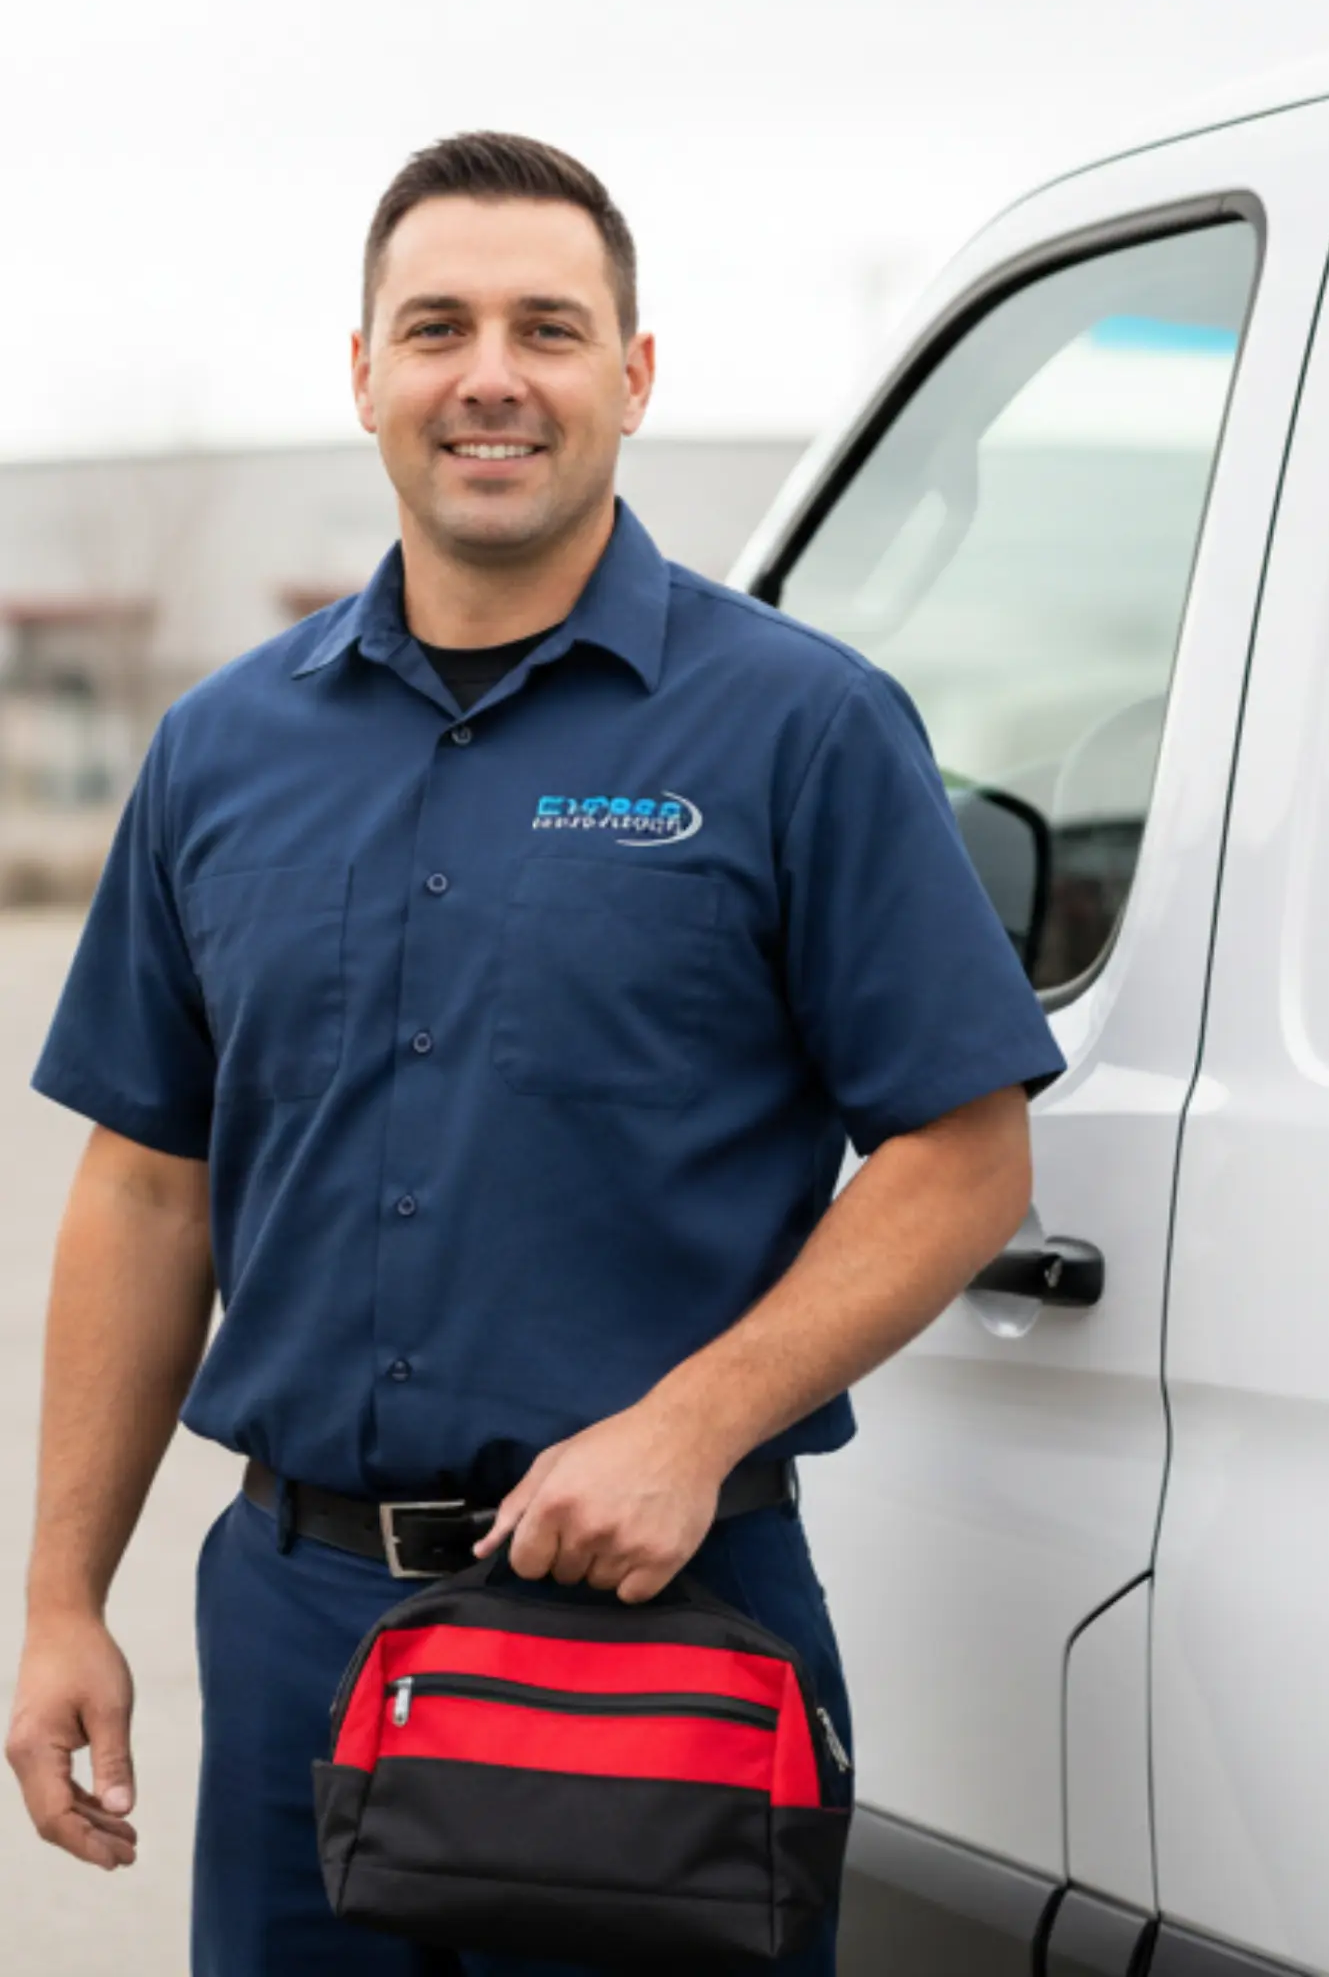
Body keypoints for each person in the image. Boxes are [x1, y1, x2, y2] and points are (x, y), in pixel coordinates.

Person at [4, 131, 1063, 1975]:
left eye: (547, 329)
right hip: (298, 1635)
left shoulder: (801, 728)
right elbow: (150, 1191)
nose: (490, 374)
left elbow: (965, 1156)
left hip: (665, 1626)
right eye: (438, 328)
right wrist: (61, 1599)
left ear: (633, 377)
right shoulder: (219, 752)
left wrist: (687, 1429)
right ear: (364, 375)